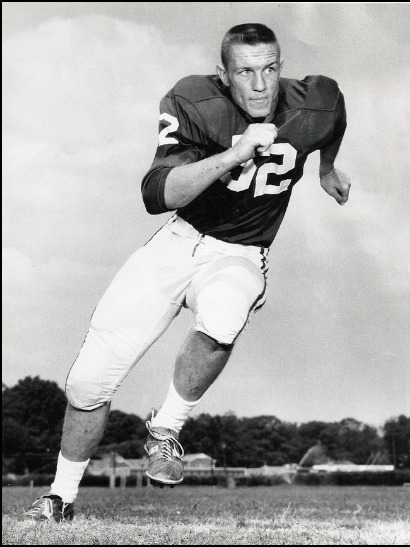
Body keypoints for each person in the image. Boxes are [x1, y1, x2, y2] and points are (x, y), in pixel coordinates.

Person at [23, 23, 350, 522]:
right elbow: (157, 195)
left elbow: (335, 117)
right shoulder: (195, 101)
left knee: (224, 314)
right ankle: (59, 497)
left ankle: (166, 430)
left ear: (281, 67)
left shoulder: (314, 102)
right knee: (87, 385)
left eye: (269, 69)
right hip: (176, 243)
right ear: (224, 75)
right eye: (245, 72)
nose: (260, 85)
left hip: (241, 251)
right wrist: (234, 154)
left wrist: (326, 169)